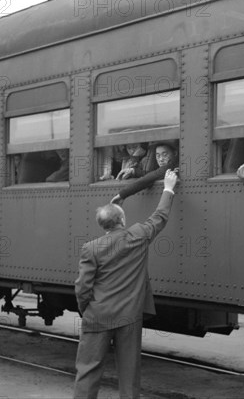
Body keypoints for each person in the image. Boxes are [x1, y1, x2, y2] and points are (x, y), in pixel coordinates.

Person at [74, 169, 178, 399]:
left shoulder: (91, 248)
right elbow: (160, 216)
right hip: (129, 317)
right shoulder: (138, 236)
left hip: (97, 315)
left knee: (88, 370)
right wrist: (168, 188)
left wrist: (87, 310)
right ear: (122, 220)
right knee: (130, 373)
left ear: (103, 225)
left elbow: (82, 288)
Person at [110, 142, 178, 204]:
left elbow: (150, 177)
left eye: (165, 155)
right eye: (158, 156)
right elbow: (153, 174)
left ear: (175, 153)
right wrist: (134, 171)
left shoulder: (171, 167)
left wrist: (122, 194)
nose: (161, 159)